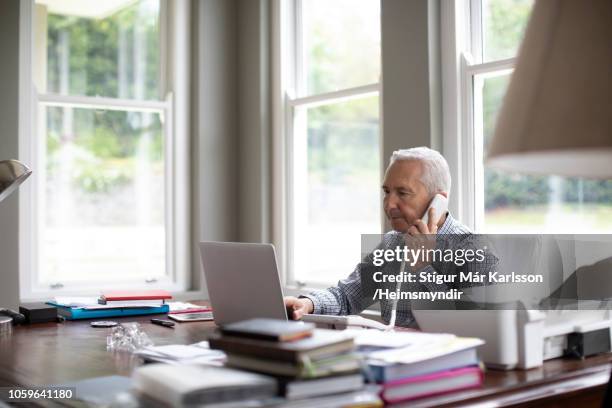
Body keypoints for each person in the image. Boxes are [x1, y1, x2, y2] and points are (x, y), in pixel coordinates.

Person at [284, 147, 497, 328]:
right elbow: (347, 296)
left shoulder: (475, 249)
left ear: (438, 201)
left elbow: (476, 326)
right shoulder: (391, 243)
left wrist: (423, 267)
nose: (389, 204)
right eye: (387, 191)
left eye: (403, 193)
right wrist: (307, 303)